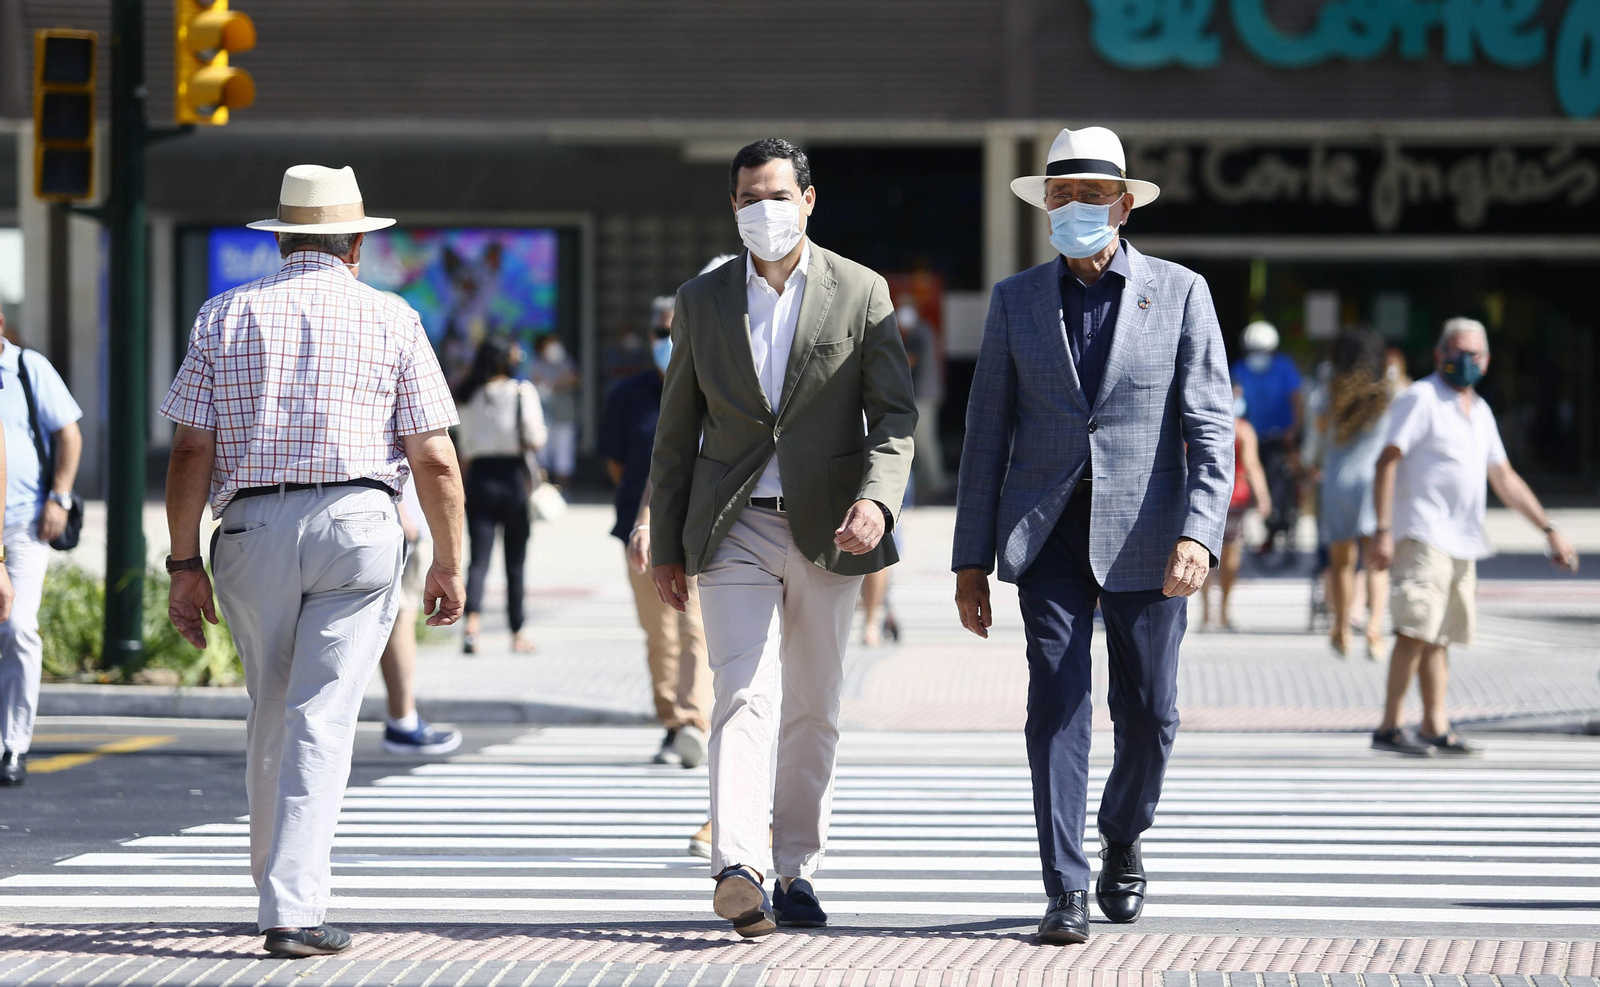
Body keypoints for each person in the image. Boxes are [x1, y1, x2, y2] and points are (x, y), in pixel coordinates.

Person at [161, 164, 466, 957]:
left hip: (253, 525)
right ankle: (291, 907)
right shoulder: (395, 318)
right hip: (360, 521)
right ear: (357, 243)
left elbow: (191, 447)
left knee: (271, 703)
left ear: (285, 238)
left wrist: (182, 562)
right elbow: (433, 457)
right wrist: (450, 561)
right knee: (323, 715)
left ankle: (275, 886)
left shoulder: (223, 315)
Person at [952, 127, 1233, 945]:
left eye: (1091, 194)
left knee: (1150, 711)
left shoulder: (1181, 292)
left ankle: (1123, 832)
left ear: (1122, 203)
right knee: (1056, 705)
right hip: (1047, 536)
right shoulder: (1016, 300)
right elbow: (984, 438)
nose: (1076, 207)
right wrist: (972, 558)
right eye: (1061, 194)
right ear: (1047, 206)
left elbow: (1211, 426)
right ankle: (1065, 886)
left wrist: (1201, 533)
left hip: (1151, 533)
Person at [650, 138, 916, 937]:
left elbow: (895, 417)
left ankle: (796, 867)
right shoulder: (700, 301)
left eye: (774, 194)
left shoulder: (860, 291)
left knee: (814, 705)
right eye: (745, 198)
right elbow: (676, 430)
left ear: (807, 199)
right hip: (733, 526)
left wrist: (879, 502)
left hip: (831, 529)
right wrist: (665, 540)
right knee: (742, 692)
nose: (760, 209)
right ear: (732, 208)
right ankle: (739, 864)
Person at [1370, 318, 1578, 756]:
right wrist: (1383, 530)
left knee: (1441, 636)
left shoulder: (1479, 410)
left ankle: (1435, 725)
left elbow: (1503, 476)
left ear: (1486, 361)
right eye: (1458, 352)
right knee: (1414, 630)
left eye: (1475, 354)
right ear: (1439, 355)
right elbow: (1387, 461)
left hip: (1463, 538)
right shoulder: (1421, 398)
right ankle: (1389, 727)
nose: (1466, 361)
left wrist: (1549, 529)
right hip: (1423, 531)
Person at [600, 294, 712, 771]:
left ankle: (692, 722)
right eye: (660, 333)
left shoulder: (713, 388)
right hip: (640, 531)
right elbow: (617, 464)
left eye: (675, 332)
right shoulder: (627, 396)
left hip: (704, 531)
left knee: (695, 628)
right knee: (658, 632)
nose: (668, 342)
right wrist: (643, 520)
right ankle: (670, 722)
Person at [0, 321, 69, 787]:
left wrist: (58, 497)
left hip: (24, 521)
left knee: (19, 626)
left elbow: (69, 434)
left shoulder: (27, 367)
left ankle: (13, 746)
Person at [454, 336, 546, 655]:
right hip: (513, 477)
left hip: (478, 478)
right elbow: (535, 437)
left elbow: (463, 447)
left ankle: (472, 628)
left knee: (478, 558)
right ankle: (517, 632)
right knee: (515, 561)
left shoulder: (467, 395)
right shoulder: (522, 391)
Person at [1319, 328, 1392, 660]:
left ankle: (1342, 626)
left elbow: (1317, 435)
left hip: (1336, 479)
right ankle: (1375, 626)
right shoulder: (1389, 392)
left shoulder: (1329, 390)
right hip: (1373, 481)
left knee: (1341, 562)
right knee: (1375, 560)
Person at [378, 481, 464, 755]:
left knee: (398, 616)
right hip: (394, 518)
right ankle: (401, 720)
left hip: (386, 516)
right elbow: (432, 458)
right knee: (399, 617)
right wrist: (401, 510)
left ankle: (402, 718)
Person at [1231, 321, 1303, 559]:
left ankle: (1275, 523)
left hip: (1278, 438)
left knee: (1278, 480)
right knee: (1245, 476)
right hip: (1248, 435)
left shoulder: (1284, 367)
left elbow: (1297, 399)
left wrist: (1293, 430)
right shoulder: (1239, 369)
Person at [1201, 387, 1270, 631]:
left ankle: (1208, 612)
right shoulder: (1242, 430)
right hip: (1235, 498)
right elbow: (1252, 465)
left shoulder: (1202, 424)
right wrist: (1263, 496)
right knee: (1230, 555)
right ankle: (1224, 611)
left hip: (1205, 497)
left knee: (1205, 554)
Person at [530, 333, 579, 488]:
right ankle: (542, 490)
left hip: (564, 416)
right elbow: (535, 381)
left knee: (564, 456)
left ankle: (562, 490)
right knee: (541, 457)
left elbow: (574, 379)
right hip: (543, 418)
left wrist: (554, 384)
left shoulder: (566, 362)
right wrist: (556, 384)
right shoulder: (536, 364)